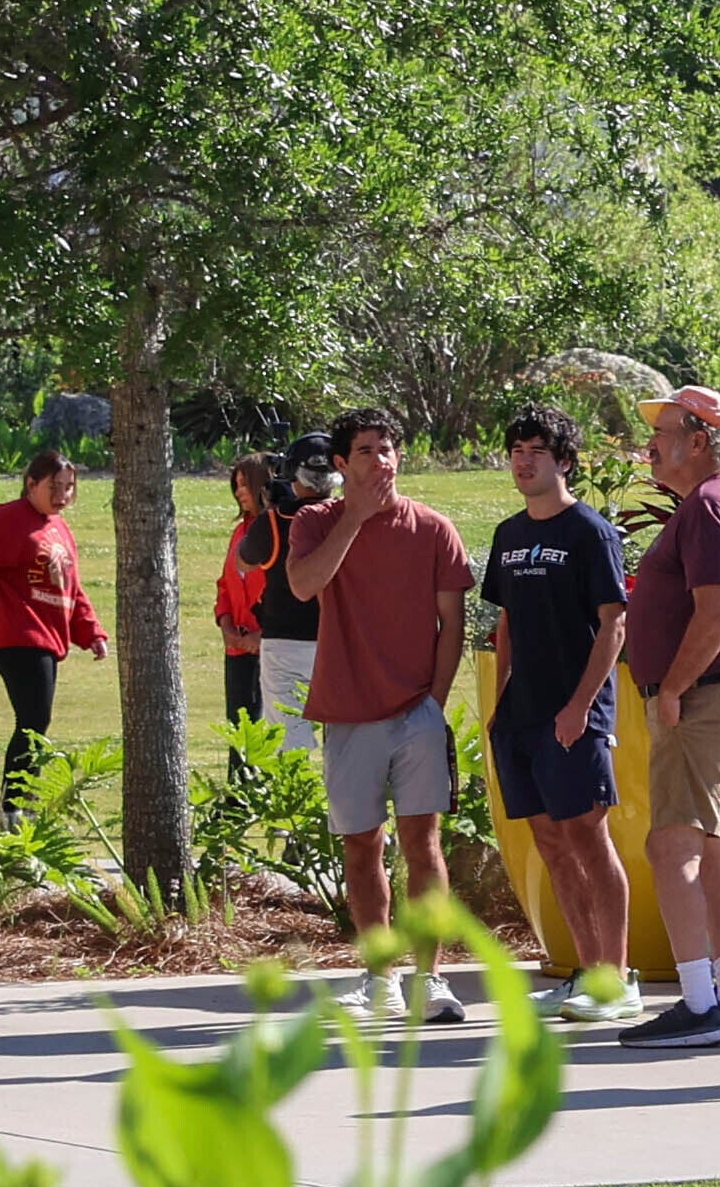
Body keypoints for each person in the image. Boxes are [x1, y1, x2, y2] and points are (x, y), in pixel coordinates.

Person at [287, 406, 480, 1028]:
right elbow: (303, 586)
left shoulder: (433, 528)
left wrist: (435, 700)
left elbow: (454, 623)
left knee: (424, 846)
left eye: (389, 448)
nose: (383, 461)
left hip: (417, 713)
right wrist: (354, 518)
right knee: (362, 847)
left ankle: (430, 978)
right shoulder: (316, 522)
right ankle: (381, 980)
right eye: (366, 450)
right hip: (347, 714)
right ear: (341, 465)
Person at [617, 386, 720, 1052]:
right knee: (713, 849)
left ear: (700, 439)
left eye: (663, 429)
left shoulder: (712, 504)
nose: (650, 441)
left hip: (706, 696)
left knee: (672, 847)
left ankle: (699, 1003)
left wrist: (673, 688)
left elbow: (718, 611)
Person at [483, 407, 636, 1028]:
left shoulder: (590, 531)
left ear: (564, 462)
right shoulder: (508, 535)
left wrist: (579, 707)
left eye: (537, 451)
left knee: (588, 839)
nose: (524, 461)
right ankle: (584, 972)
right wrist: (499, 710)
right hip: (521, 716)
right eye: (516, 450)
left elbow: (614, 624)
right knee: (549, 840)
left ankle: (617, 980)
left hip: (575, 714)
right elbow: (506, 627)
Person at [0, 448, 105, 811]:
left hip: (46, 635)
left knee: (34, 721)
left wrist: (92, 633)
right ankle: (14, 808)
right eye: (54, 486)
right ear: (31, 483)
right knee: (34, 719)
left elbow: (71, 588)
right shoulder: (7, 520)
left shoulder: (59, 528)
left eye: (69, 488)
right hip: (16, 634)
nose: (63, 496)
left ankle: (18, 803)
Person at [248, 432, 333, 748]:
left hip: (284, 641)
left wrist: (272, 507)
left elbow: (244, 561)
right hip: (337, 641)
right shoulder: (352, 516)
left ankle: (293, 799)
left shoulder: (275, 520)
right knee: (343, 742)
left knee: (289, 744)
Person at [212, 455, 280, 750]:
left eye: (245, 485)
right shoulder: (240, 532)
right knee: (238, 733)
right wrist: (226, 626)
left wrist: (260, 637)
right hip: (237, 647)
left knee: (265, 734)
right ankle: (237, 795)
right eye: (235, 485)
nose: (239, 492)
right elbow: (225, 585)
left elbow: (285, 593)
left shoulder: (277, 531)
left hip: (270, 647)